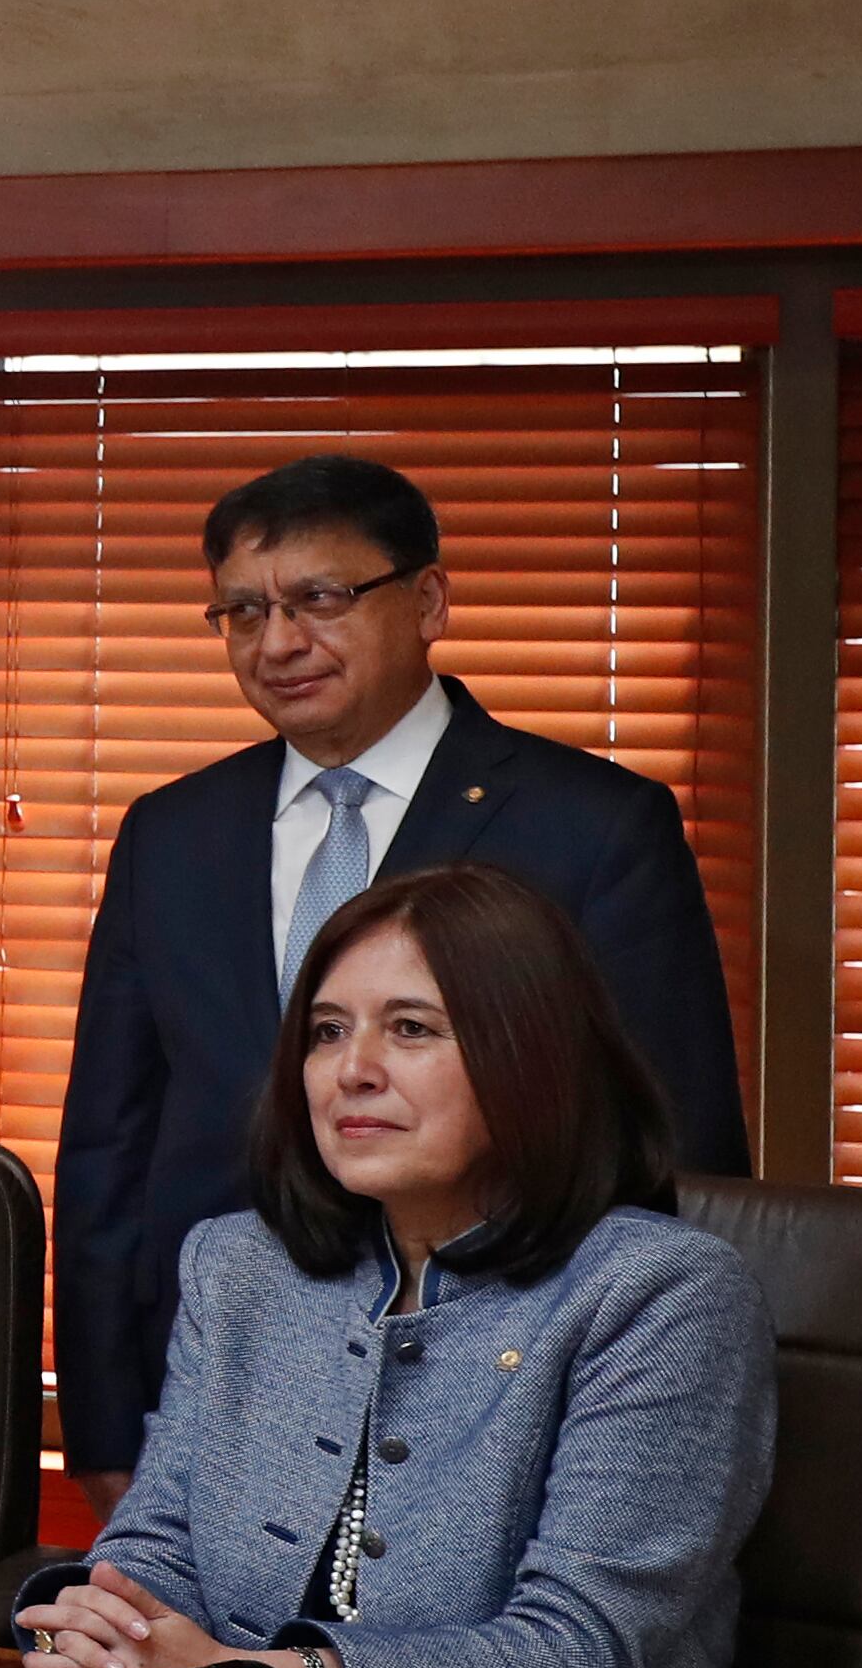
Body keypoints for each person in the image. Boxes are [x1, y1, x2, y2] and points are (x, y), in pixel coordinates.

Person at [54, 455, 750, 1496]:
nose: (277, 642)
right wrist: (104, 1430)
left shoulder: (594, 827)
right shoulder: (171, 832)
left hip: (495, 1392)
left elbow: (672, 1142)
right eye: (240, 611)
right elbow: (108, 1142)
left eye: (319, 600)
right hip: (215, 1380)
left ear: (425, 600)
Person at [17, 864, 774, 1668]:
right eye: (327, 1032)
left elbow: (582, 1660)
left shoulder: (658, 1291)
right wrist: (104, 1635)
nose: (352, 1071)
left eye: (411, 1030)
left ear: (531, 1057)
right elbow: (160, 1539)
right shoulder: (240, 1265)